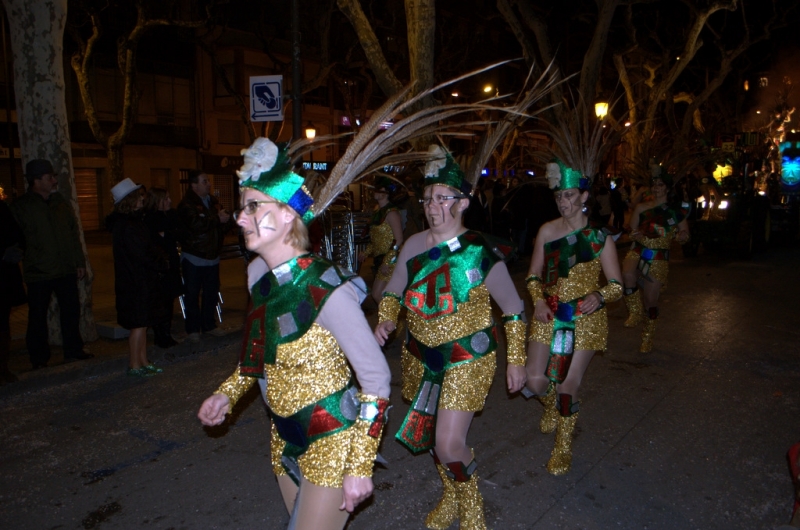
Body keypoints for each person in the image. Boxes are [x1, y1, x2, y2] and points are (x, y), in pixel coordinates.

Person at [197, 138, 391, 530]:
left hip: (332, 441)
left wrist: (359, 464)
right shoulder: (257, 277)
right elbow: (259, 354)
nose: (240, 218)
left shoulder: (327, 288)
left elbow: (376, 378)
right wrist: (227, 394)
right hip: (283, 439)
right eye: (241, 208)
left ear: (287, 215)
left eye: (253, 206)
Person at [374, 145, 527, 530]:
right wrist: (386, 319)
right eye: (428, 198)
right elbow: (392, 291)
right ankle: (452, 495)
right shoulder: (412, 245)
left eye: (442, 197)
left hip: (467, 357)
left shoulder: (478, 251)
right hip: (420, 357)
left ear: (462, 203)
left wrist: (517, 359)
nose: (432, 205)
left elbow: (513, 307)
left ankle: (471, 506)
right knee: (432, 438)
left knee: (447, 443)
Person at [522, 160, 622, 476]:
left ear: (583, 196)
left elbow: (618, 285)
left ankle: (563, 444)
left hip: (584, 318)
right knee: (536, 382)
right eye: (559, 197)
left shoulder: (599, 238)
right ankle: (551, 405)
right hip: (549, 312)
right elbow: (533, 275)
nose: (564, 202)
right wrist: (538, 300)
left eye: (569, 195)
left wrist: (601, 295)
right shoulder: (547, 231)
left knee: (567, 384)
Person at [10, 159, 93, 369]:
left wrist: (79, 261)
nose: (54, 181)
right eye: (49, 177)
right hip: (39, 272)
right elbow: (15, 237)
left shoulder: (60, 203)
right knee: (37, 317)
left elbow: (73, 234)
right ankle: (38, 358)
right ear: (36, 181)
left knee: (71, 311)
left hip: (65, 268)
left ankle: (73, 350)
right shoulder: (22, 207)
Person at [622, 167, 690, 353]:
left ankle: (647, 337)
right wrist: (633, 233)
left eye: (660, 185)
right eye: (654, 184)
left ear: (667, 188)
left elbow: (685, 234)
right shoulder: (642, 207)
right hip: (639, 247)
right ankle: (634, 313)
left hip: (658, 254)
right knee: (627, 273)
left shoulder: (675, 211)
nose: (656, 187)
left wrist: (681, 236)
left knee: (650, 301)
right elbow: (631, 230)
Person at [106, 178, 169, 376]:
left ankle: (143, 361)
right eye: (139, 196)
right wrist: (160, 262)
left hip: (140, 279)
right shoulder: (128, 226)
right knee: (138, 325)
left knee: (143, 324)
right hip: (135, 281)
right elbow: (142, 253)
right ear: (130, 200)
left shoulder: (132, 223)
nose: (142, 199)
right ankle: (135, 364)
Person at [176, 170, 231, 342]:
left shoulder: (212, 202)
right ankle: (193, 328)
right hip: (194, 256)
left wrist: (226, 221)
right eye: (204, 181)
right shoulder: (187, 205)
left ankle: (209, 325)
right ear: (194, 185)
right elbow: (196, 225)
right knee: (192, 294)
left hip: (212, 256)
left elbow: (219, 226)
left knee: (211, 293)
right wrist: (217, 219)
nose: (209, 184)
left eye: (208, 180)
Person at [143, 187, 183, 348]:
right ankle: (161, 334)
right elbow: (155, 240)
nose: (169, 201)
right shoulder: (150, 219)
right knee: (160, 301)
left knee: (168, 301)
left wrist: (168, 234)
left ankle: (166, 332)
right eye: (165, 199)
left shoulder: (170, 216)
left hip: (170, 264)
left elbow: (178, 233)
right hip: (159, 267)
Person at [358, 176, 405, 306]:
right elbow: (376, 239)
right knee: (385, 294)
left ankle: (392, 321)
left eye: (379, 190)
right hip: (380, 259)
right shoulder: (378, 211)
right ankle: (392, 322)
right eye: (376, 190)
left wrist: (387, 261)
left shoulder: (391, 213)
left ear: (386, 194)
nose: (375, 192)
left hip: (390, 260)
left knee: (377, 294)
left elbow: (399, 239)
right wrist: (366, 252)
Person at [0, 197, 25, 383]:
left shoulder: (2, 208)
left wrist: (15, 249)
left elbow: (16, 234)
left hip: (3, 279)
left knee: (2, 326)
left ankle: (2, 368)